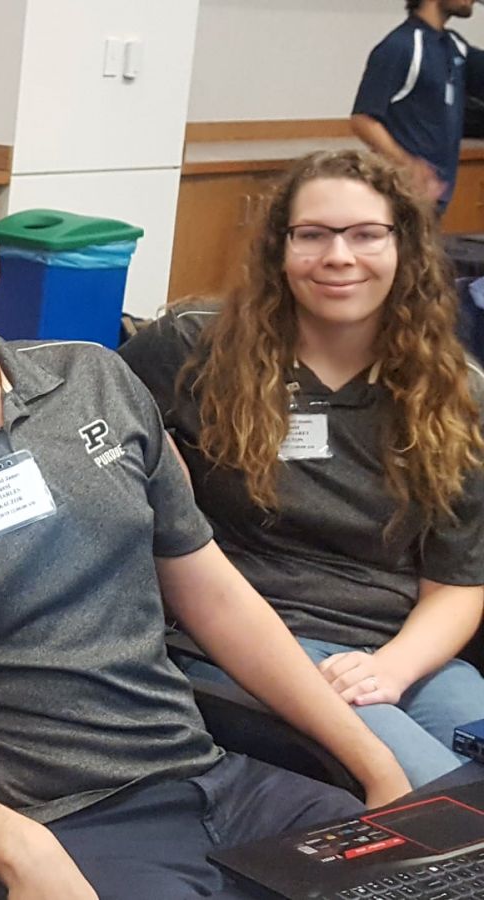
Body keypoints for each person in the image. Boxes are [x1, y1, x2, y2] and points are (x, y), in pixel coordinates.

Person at [0, 135, 412, 900]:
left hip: (208, 779)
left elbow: (216, 596)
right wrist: (21, 851)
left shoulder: (96, 381)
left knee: (420, 878)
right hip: (50, 826)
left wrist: (377, 767)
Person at [121, 148, 484, 789]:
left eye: (366, 234)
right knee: (438, 804)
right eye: (312, 235)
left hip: (404, 652)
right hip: (247, 645)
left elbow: (457, 585)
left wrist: (394, 668)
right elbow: (93, 412)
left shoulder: (458, 395)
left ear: (406, 248)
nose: (338, 256)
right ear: (279, 250)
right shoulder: (194, 348)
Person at [351, 0, 484, 214]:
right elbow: (363, 120)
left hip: (434, 201)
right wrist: (408, 165)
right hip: (400, 199)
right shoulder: (400, 46)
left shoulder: (454, 47)